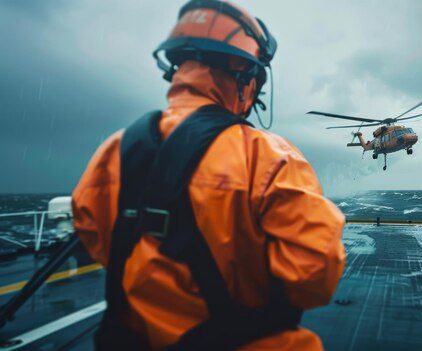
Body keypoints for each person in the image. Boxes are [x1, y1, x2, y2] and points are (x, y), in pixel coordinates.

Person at [72, 1, 346, 350]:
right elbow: (315, 276)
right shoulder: (267, 156)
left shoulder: (114, 150)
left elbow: (94, 238)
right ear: (242, 70)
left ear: (179, 67)